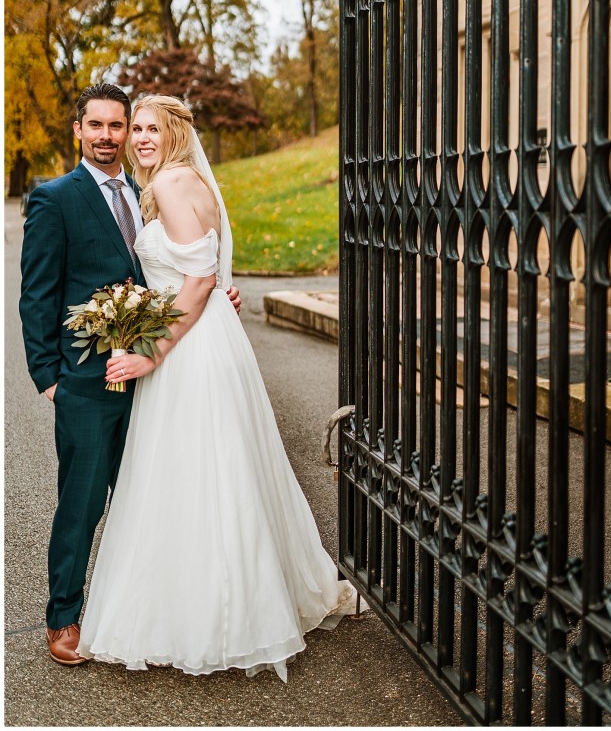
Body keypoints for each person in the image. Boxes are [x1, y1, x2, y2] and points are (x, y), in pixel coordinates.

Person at [77, 94, 363, 679]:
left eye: (152, 129)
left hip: (188, 353)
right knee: (214, 470)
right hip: (205, 338)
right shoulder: (184, 183)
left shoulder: (176, 184)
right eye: (137, 130)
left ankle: (213, 615)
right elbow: (200, 275)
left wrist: (150, 354)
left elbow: (200, 278)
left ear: (177, 133)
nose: (139, 139)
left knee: (194, 471)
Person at [19, 84, 241, 666]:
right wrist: (50, 376)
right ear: (79, 130)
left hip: (156, 377)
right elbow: (37, 295)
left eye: (121, 126)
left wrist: (215, 295)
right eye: (99, 125)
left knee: (154, 497)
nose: (111, 136)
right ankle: (63, 614)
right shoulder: (54, 198)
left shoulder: (146, 192)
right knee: (83, 502)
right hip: (89, 383)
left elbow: (177, 271)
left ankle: (161, 609)